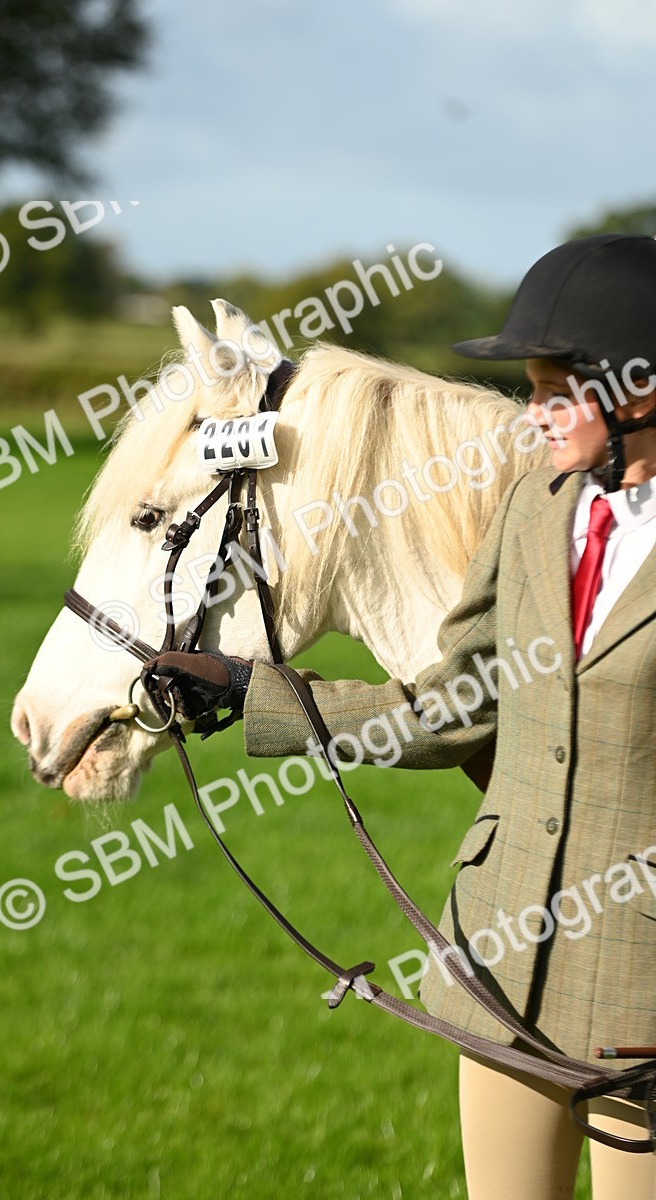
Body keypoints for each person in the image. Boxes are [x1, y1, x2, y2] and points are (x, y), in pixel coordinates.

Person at [150, 234, 656, 1200]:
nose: (534, 413)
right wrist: (249, 693)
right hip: (499, 962)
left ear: (638, 392)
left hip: (645, 990)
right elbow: (456, 705)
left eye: (556, 388)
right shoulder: (536, 509)